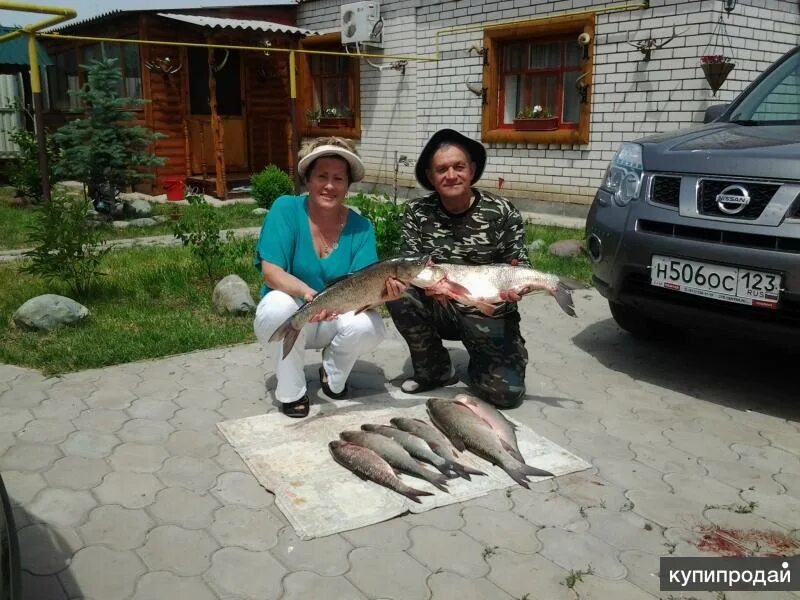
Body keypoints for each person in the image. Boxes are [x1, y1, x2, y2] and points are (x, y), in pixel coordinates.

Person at [253, 137, 397, 418]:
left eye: (338, 178)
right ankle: (292, 391)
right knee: (277, 306)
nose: (329, 185)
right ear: (308, 179)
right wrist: (309, 297)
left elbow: (366, 286)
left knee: (369, 326)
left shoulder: (361, 227)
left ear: (347, 185)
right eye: (322, 176)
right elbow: (271, 273)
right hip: (293, 315)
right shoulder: (285, 209)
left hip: (335, 317)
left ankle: (332, 378)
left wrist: (387, 293)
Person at [386, 128, 530, 409]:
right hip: (438, 303)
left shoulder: (502, 211)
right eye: (441, 169)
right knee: (398, 293)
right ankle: (435, 369)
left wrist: (517, 289)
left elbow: (520, 265)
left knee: (505, 395)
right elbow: (409, 265)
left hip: (487, 309)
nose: (450, 175)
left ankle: (486, 364)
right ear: (430, 176)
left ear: (472, 170)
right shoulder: (418, 212)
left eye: (458, 167)